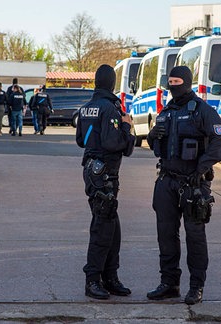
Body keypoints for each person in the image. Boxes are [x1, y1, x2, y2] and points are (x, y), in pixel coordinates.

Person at [146, 66, 221, 305]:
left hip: (193, 184)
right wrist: (154, 135)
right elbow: (154, 143)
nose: (173, 85)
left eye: (177, 81)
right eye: (170, 81)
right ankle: (169, 283)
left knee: (195, 236)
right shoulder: (167, 110)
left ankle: (196, 287)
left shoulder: (201, 110)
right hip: (166, 181)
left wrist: (201, 167)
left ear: (187, 82)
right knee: (166, 235)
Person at [76, 64, 136, 300]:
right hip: (104, 174)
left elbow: (81, 140)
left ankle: (110, 278)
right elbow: (114, 143)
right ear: (112, 83)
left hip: (92, 171)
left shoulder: (86, 108)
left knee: (113, 229)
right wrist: (127, 128)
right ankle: (93, 281)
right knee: (102, 228)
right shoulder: (110, 108)